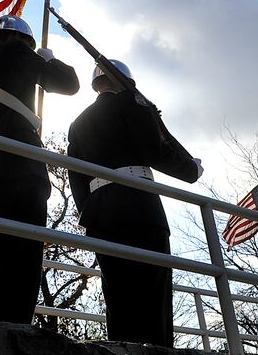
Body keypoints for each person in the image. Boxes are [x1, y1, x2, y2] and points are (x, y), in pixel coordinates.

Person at [67, 62, 203, 347]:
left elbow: (75, 176)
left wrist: (89, 211)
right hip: (138, 202)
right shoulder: (132, 102)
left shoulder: (78, 123)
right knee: (153, 291)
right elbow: (153, 149)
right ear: (126, 82)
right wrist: (190, 170)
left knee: (118, 295)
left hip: (100, 210)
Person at [0, 15, 80, 323]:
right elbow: (69, 84)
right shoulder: (18, 53)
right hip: (20, 174)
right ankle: (15, 330)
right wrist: (49, 60)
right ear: (24, 40)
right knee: (24, 256)